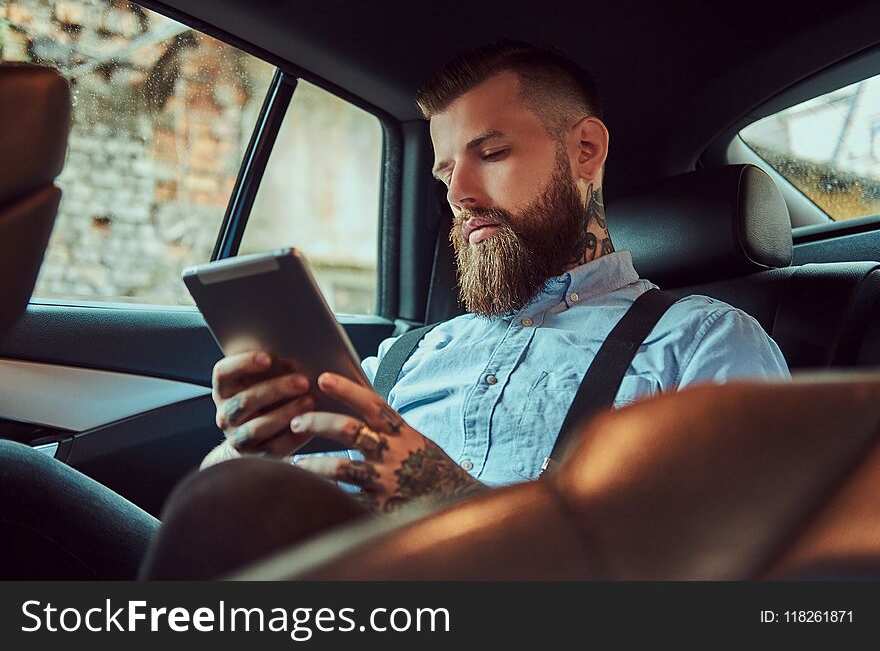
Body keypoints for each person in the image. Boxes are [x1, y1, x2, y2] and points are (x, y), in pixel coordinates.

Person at [0, 41, 789, 581]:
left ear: (585, 152)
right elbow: (213, 518)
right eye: (448, 169)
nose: (460, 195)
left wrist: (447, 499)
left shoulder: (705, 342)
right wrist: (256, 448)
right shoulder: (410, 354)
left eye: (492, 151)